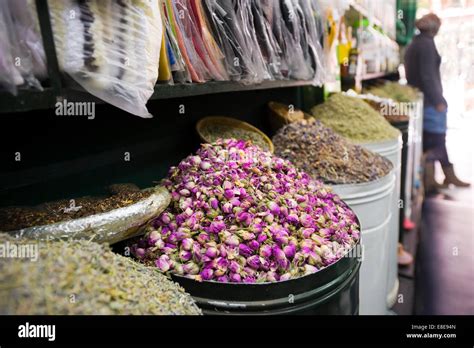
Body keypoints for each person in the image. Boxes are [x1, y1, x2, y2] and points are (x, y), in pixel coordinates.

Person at [404, 13, 470, 193]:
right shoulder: (426, 44)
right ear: (434, 28)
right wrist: (438, 100)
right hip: (429, 101)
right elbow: (428, 76)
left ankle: (433, 179)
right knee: (437, 140)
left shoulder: (415, 43)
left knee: (431, 140)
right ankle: (439, 177)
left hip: (421, 99)